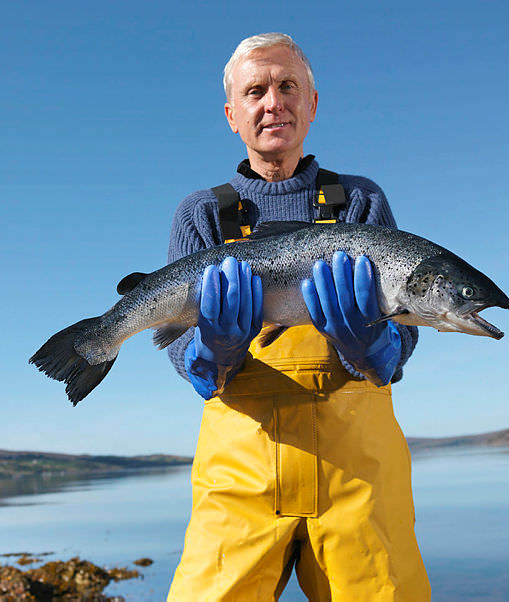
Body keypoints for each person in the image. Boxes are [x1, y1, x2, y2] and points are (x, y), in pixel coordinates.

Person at [165, 33, 431, 601]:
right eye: (255, 90)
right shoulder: (200, 213)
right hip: (239, 481)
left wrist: (375, 349)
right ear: (233, 115)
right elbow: (176, 347)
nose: (273, 102)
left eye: (288, 86)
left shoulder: (360, 201)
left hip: (358, 482)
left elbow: (405, 329)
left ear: (312, 104)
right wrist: (211, 353)